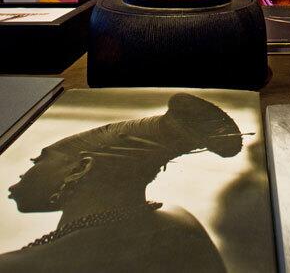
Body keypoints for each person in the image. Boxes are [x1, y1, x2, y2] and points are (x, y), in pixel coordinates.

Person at [1, 93, 242, 272]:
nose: (25, 173)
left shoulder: (21, 266)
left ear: (81, 168)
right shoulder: (182, 222)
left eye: (38, 160)